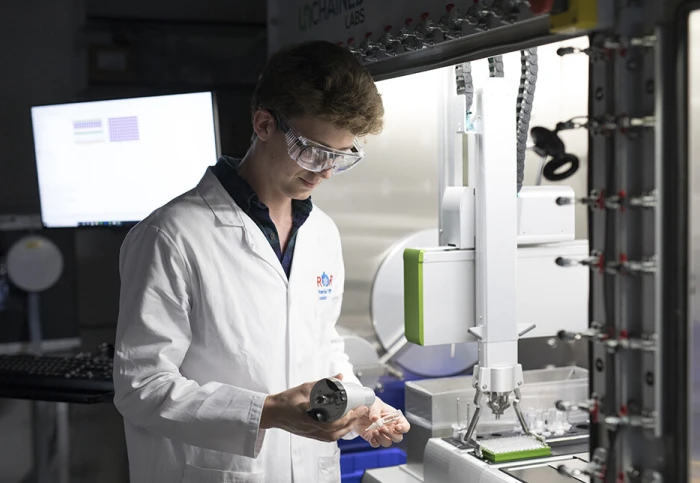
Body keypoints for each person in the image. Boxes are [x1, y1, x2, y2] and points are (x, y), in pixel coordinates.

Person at [113, 40, 410, 483]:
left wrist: (355, 404)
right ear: (264, 124)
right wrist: (266, 411)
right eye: (314, 151)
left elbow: (321, 344)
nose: (326, 171)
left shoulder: (322, 232)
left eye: (341, 156)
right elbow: (141, 388)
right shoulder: (170, 236)